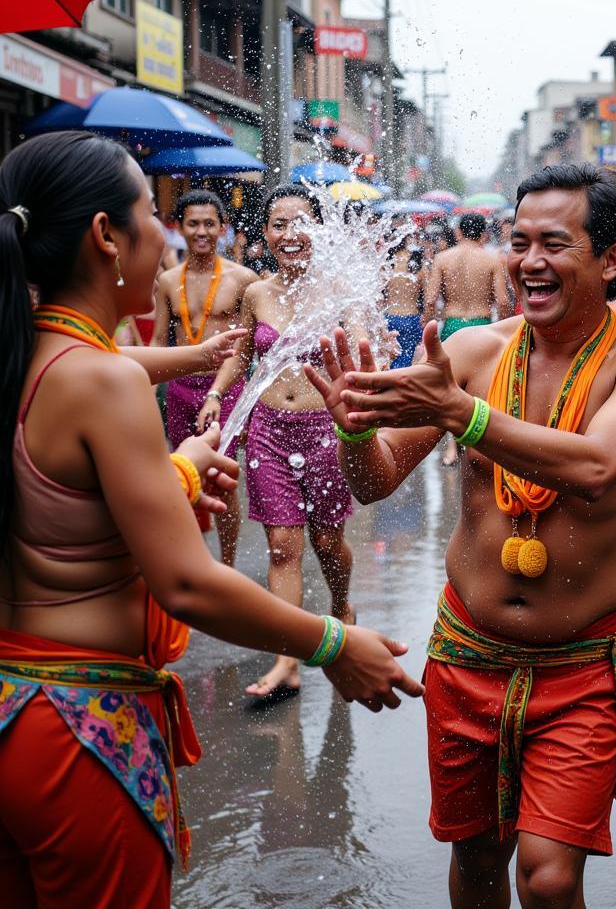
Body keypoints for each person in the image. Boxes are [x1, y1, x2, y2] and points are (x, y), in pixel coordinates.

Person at [0, 132, 423, 909]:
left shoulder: (24, 357)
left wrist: (184, 456)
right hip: (78, 726)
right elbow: (188, 583)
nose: (167, 235)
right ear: (105, 239)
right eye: (148, 215)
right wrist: (335, 642)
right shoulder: (103, 384)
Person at [304, 164, 616, 909]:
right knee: (477, 859)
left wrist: (462, 416)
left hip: (580, 674)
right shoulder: (472, 356)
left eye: (553, 244)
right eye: (520, 241)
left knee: (546, 877)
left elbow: (599, 467)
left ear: (610, 259)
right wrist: (351, 433)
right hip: (467, 657)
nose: (530, 261)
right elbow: (375, 481)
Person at [201, 185, 359, 704]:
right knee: (282, 546)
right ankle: (288, 659)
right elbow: (241, 353)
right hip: (269, 429)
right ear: (265, 233)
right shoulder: (257, 293)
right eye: (278, 224)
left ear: (318, 230)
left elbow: (361, 351)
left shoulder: (339, 289)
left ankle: (341, 606)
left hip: (324, 431)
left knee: (328, 544)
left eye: (300, 223)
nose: (290, 234)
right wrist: (218, 395)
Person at [152, 190, 258, 567]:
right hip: (179, 390)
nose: (201, 231)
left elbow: (255, 346)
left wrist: (252, 405)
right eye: (193, 223)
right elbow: (158, 341)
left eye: (209, 223)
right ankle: (194, 560)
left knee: (223, 476)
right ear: (180, 228)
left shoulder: (244, 279)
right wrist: (146, 394)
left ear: (222, 228)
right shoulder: (166, 281)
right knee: (185, 473)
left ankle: (226, 564)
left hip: (224, 388)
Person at [425, 211, 513, 466]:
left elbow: (431, 299)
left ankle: (452, 446)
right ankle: (479, 445)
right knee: (482, 389)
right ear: (484, 234)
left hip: (452, 325)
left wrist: (429, 325)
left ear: (459, 232)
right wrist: (503, 328)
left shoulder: (442, 258)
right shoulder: (492, 259)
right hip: (483, 325)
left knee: (452, 388)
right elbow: (503, 301)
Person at [384, 231, 424, 369]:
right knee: (411, 361)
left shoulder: (386, 261)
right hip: (412, 317)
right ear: (407, 240)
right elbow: (429, 294)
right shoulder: (417, 261)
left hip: (390, 316)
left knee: (390, 358)